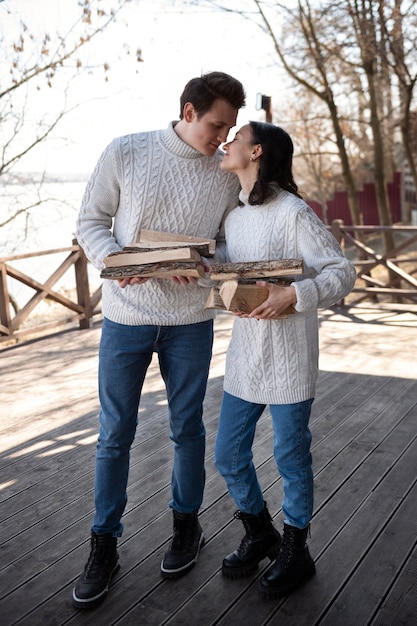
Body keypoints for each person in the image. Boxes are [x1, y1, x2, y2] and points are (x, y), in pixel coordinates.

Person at [72, 71, 246, 610]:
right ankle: (103, 544)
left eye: (231, 128)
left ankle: (186, 527)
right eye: (217, 125)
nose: (223, 137)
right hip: (125, 316)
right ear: (189, 111)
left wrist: (200, 266)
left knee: (187, 429)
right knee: (113, 433)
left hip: (191, 320)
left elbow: (227, 246)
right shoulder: (125, 151)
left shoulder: (224, 174)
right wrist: (115, 260)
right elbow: (91, 222)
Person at [213, 122, 356, 599]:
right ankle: (260, 533)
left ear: (256, 152)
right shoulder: (233, 217)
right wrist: (196, 273)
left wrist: (296, 294)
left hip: (291, 357)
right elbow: (232, 277)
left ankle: (297, 551)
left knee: (291, 458)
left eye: (235, 137)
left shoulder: (294, 212)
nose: (225, 142)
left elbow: (342, 271)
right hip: (244, 356)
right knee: (229, 455)